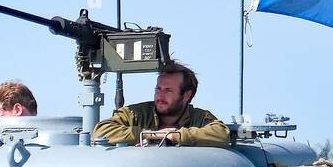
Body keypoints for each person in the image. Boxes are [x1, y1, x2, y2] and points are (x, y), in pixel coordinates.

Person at [93, 62, 230, 148]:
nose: (160, 95)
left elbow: (222, 134)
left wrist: (176, 135)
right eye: (158, 89)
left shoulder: (198, 118)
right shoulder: (136, 114)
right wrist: (148, 135)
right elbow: (101, 131)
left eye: (168, 90)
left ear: (186, 95)